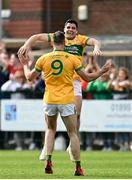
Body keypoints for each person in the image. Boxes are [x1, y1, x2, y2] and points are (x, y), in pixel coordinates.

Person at [18, 30, 112, 176]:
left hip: (49, 99)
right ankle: (78, 168)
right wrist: (101, 71)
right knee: (73, 134)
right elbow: (87, 78)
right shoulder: (72, 58)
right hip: (67, 100)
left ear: (52, 42)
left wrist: (24, 65)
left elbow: (30, 77)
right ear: (65, 42)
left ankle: (48, 162)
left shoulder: (43, 58)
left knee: (50, 130)